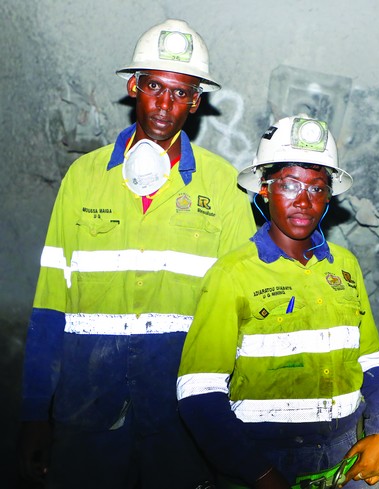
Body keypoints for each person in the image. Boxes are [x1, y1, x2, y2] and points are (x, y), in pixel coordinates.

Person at [18, 19, 256, 489]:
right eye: (154, 87)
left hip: (183, 419)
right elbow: (50, 303)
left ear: (196, 100)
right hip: (87, 412)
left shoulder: (224, 187)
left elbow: (244, 314)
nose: (165, 105)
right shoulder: (84, 178)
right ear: (134, 86)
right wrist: (33, 413)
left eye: (180, 92)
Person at [177, 115, 379, 489]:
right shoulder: (232, 273)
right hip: (262, 463)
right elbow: (198, 395)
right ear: (264, 189)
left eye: (316, 188)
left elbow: (371, 362)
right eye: (290, 184)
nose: (303, 200)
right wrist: (264, 476)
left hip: (348, 460)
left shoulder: (344, 267)